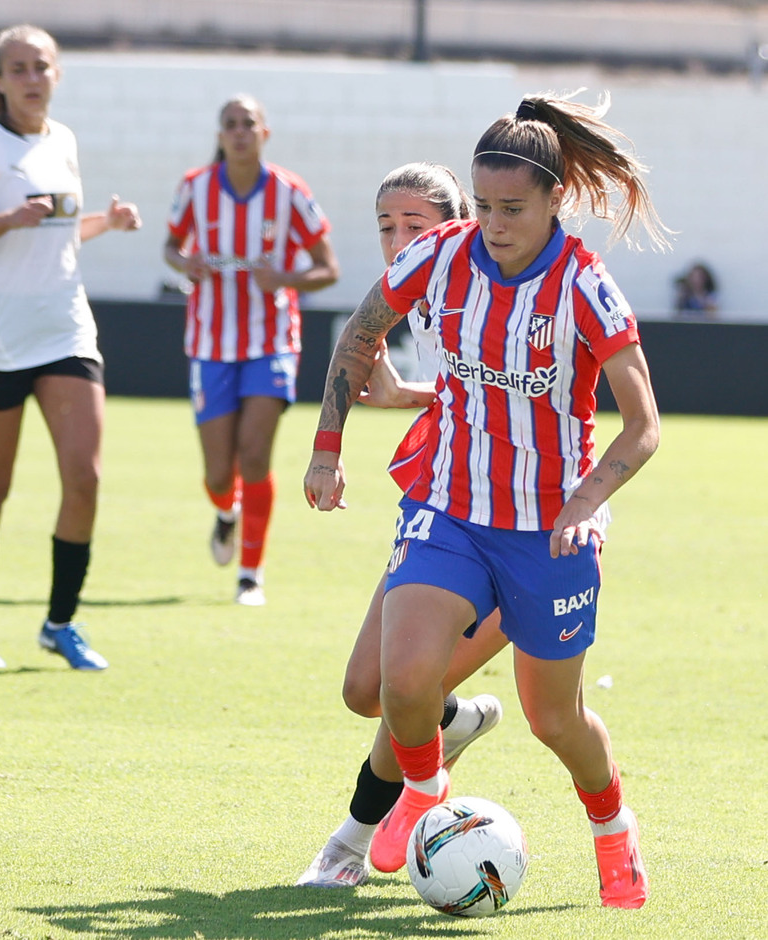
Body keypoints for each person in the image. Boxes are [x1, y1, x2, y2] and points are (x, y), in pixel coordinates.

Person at [304, 93, 670, 909]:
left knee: (554, 720)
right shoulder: (439, 254)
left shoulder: (586, 285)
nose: (494, 224)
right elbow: (361, 333)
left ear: (553, 202)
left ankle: (613, 826)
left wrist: (586, 500)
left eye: (513, 208)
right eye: (482, 205)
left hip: (549, 531)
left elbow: (642, 426)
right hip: (450, 507)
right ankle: (425, 795)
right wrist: (328, 448)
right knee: (401, 682)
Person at [298, 163, 509, 889]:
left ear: (460, 223)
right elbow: (458, 390)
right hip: (445, 505)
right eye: (387, 225)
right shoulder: (416, 289)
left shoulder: (499, 279)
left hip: (527, 524)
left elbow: (520, 400)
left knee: (403, 693)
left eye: (414, 224)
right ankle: (453, 724)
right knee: (367, 691)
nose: (398, 239)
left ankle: (346, 847)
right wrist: (339, 441)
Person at [0, 24, 142, 670]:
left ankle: (61, 622)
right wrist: (6, 219)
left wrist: (105, 223)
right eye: (19, 68)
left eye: (42, 67)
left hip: (65, 329)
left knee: (85, 478)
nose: (32, 78)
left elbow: (56, 234)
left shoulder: (64, 142)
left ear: (58, 75)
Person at [164, 94, 339, 606]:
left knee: (256, 457)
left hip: (271, 342)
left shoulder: (290, 192)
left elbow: (328, 268)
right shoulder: (194, 188)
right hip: (211, 343)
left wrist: (284, 278)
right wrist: (185, 264)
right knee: (220, 472)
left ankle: (250, 574)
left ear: (265, 133)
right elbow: (170, 247)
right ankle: (225, 514)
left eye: (249, 124)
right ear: (220, 136)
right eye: (230, 125)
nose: (240, 132)